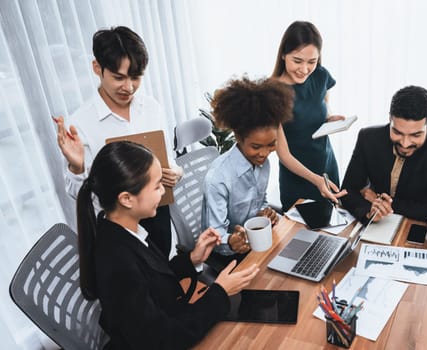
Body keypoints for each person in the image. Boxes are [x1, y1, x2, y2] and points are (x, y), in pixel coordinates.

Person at [77, 141, 259, 349]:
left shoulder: (124, 229)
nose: (163, 191)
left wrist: (192, 259)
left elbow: (152, 279)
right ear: (126, 199)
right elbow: (162, 339)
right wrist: (220, 292)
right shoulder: (116, 262)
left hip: (170, 317)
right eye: (156, 186)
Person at [54, 26, 182, 258]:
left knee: (166, 279)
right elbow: (77, 193)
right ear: (97, 68)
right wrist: (76, 167)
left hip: (158, 214)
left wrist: (175, 171)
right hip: (119, 231)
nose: (129, 87)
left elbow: (168, 158)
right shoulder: (80, 123)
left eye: (136, 77)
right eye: (118, 77)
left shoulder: (152, 108)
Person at [201, 77, 294, 267]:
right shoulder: (218, 178)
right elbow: (215, 235)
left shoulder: (262, 164)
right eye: (256, 146)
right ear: (238, 137)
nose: (264, 153)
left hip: (257, 243)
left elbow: (259, 200)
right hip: (228, 255)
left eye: (271, 145)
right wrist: (231, 242)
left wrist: (264, 212)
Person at [339, 85, 427, 223]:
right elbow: (347, 190)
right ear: (390, 119)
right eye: (397, 132)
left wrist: (383, 202)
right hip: (377, 223)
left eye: (416, 135)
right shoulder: (368, 138)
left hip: (418, 225)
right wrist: (368, 211)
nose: (405, 143)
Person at [272, 21, 347, 211]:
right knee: (298, 237)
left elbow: (323, 106)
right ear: (283, 55)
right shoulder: (271, 93)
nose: (304, 69)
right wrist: (316, 180)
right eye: (297, 61)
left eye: (311, 62)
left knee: (333, 234)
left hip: (327, 168)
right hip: (298, 179)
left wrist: (329, 119)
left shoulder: (321, 76)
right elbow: (283, 154)